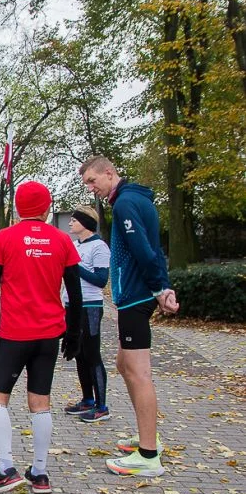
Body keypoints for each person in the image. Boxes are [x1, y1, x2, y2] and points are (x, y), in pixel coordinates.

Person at [0, 181, 82, 494]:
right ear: (47, 208)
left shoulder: (4, 238)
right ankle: (39, 473)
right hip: (49, 336)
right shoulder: (62, 240)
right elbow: (75, 294)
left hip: (14, 334)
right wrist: (73, 335)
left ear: (19, 208)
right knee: (40, 402)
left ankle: (6, 469)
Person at [80, 156, 179, 477]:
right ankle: (145, 436)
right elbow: (154, 248)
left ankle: (149, 454)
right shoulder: (135, 200)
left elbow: (143, 250)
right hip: (132, 297)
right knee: (124, 365)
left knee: (138, 372)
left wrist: (160, 288)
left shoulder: (125, 204)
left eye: (93, 181)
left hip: (135, 297)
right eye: (87, 184)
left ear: (109, 173)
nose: (92, 189)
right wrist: (162, 286)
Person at [61, 206, 112, 423]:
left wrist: (74, 266)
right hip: (71, 304)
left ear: (85, 224)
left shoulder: (99, 247)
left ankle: (101, 406)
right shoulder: (73, 246)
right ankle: (87, 400)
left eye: (74, 220)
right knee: (79, 353)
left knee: (92, 354)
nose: (70, 223)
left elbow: (101, 279)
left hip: (90, 305)